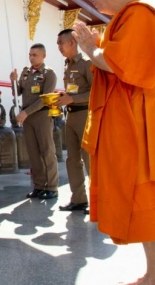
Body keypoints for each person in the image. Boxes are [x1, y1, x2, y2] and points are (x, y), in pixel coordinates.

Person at [73, 0, 155, 284]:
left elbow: (117, 63)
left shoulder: (140, 15)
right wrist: (99, 48)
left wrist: (92, 50)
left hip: (142, 122)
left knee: (151, 199)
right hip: (131, 120)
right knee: (142, 200)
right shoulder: (121, 24)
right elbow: (116, 63)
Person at [10, 43, 59, 200]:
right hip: (28, 117)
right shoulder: (26, 73)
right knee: (33, 153)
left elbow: (44, 100)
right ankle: (38, 186)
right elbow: (17, 92)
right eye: (30, 55)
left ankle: (51, 186)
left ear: (43, 56)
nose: (31, 58)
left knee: (47, 151)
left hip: (41, 116)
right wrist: (13, 81)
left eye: (35, 55)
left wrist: (26, 112)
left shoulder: (48, 74)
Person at [55, 29, 93, 212]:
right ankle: (78, 199)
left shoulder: (86, 64)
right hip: (70, 116)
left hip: (85, 116)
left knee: (89, 160)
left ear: (72, 42)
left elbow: (97, 92)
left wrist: (73, 99)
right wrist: (63, 97)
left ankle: (99, 201)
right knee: (72, 160)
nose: (59, 47)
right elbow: (73, 91)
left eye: (61, 43)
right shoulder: (67, 65)